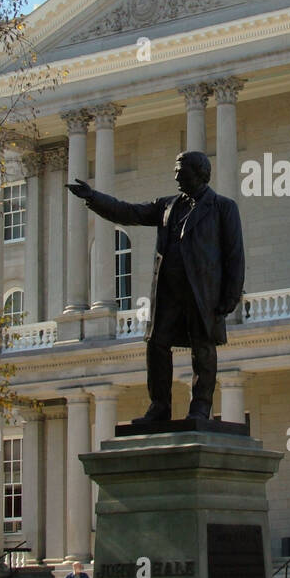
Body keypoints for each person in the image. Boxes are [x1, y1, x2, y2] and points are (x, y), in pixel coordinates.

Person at [67, 150, 245, 422]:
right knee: (157, 344)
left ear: (198, 172)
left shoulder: (223, 207)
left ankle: (200, 407)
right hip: (168, 292)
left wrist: (231, 296)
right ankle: (159, 406)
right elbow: (129, 212)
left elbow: (234, 254)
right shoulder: (167, 206)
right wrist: (93, 197)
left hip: (203, 293)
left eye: (180, 169)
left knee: (203, 349)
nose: (175, 175)